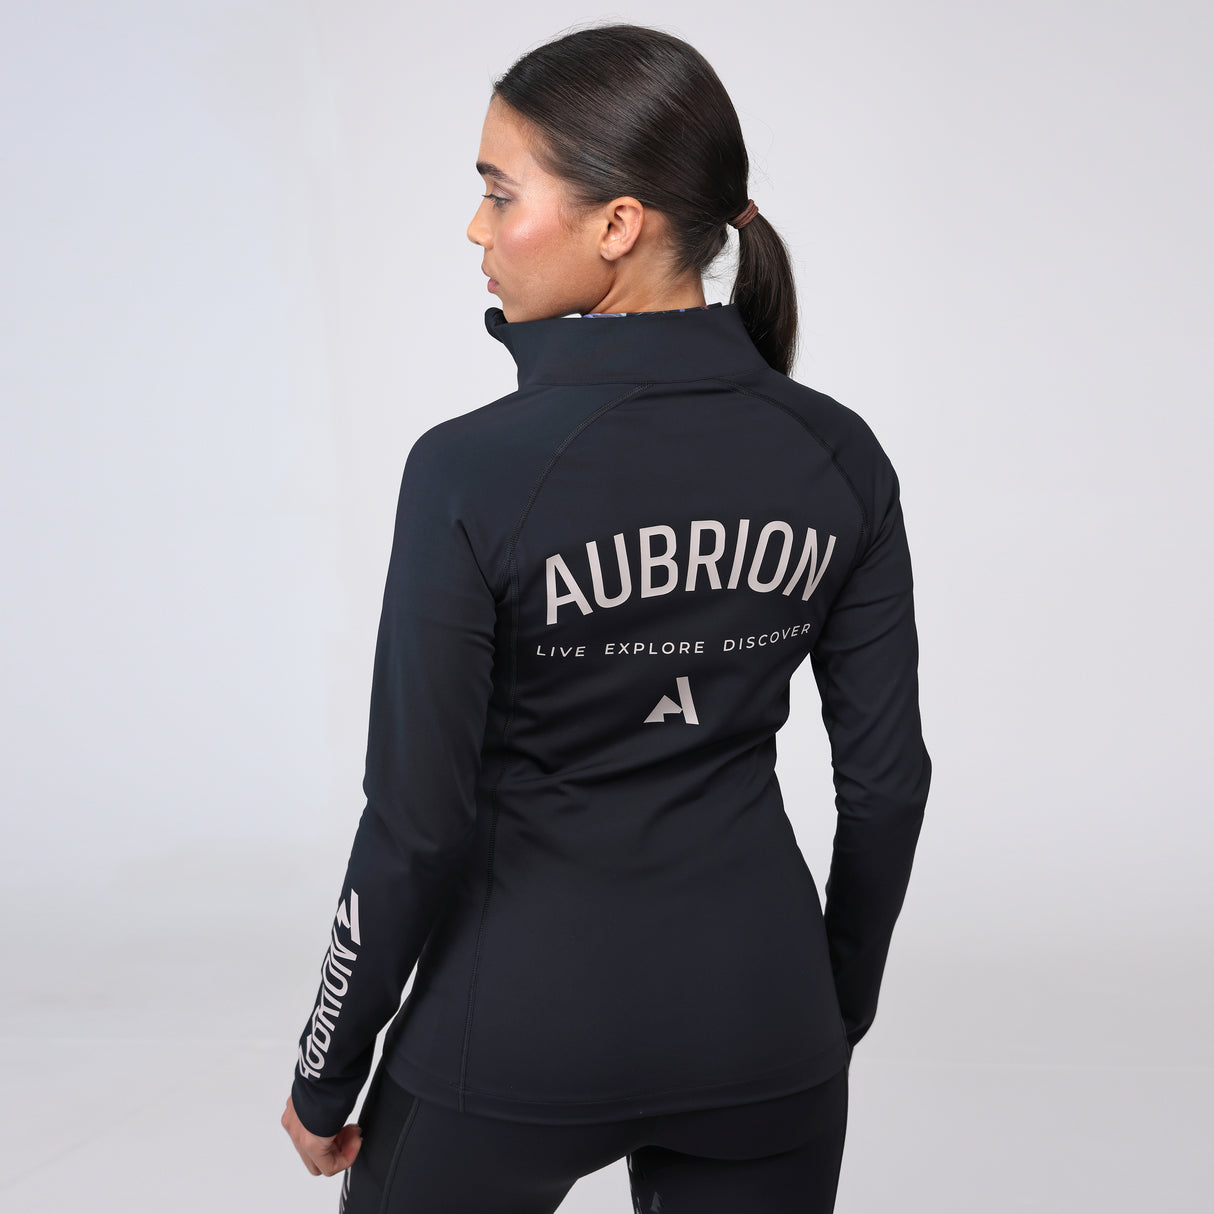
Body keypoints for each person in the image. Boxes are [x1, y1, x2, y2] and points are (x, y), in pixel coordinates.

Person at [280, 22, 931, 1214]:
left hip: (513, 1034)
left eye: (498, 192)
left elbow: (415, 820)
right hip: (762, 1023)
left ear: (617, 223)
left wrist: (327, 1067)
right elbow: (887, 785)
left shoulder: (469, 471)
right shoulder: (839, 455)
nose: (474, 228)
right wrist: (823, 1006)